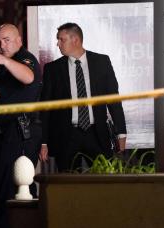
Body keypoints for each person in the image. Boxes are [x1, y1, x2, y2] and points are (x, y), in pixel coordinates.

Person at [0, 23, 43, 228]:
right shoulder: (5, 67)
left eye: (7, 40)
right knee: (9, 186)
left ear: (19, 41)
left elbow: (28, 77)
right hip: (6, 134)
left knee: (14, 186)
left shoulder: (25, 60)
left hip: (21, 134)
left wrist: (3, 60)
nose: (2, 45)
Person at [39, 22, 127, 172]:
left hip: (97, 134)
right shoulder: (52, 69)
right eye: (58, 40)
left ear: (76, 40)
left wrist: (121, 132)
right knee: (68, 183)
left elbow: (114, 100)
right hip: (66, 136)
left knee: (103, 182)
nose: (58, 44)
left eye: (62, 39)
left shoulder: (102, 62)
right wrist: (43, 142)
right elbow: (46, 107)